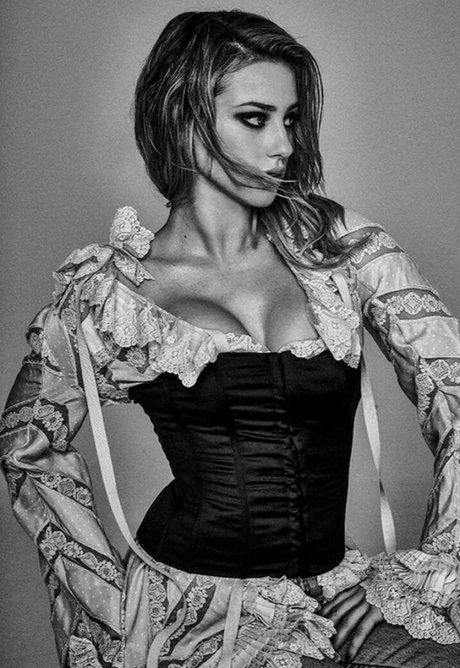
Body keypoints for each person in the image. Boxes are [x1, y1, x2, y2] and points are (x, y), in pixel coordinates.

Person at [1, 9, 459, 668]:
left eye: (290, 119)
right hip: (193, 616)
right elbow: (27, 444)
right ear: (183, 120)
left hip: (337, 593)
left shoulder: (342, 250)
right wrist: (103, 600)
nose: (284, 146)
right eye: (254, 118)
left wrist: (435, 568)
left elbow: (454, 387)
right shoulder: (117, 295)